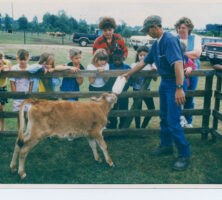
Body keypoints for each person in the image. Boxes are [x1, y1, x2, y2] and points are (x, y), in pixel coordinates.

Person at [122, 15, 190, 170]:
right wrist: (129, 74)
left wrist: (179, 88)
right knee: (164, 116)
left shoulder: (170, 40)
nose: (147, 33)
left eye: (147, 30)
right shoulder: (156, 44)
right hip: (165, 82)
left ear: (155, 27)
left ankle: (184, 155)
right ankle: (166, 146)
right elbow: (144, 62)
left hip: (174, 83)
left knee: (173, 120)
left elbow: (178, 64)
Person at [175, 17, 202, 128]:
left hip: (192, 70)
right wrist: (188, 54)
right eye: (179, 28)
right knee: (177, 94)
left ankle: (188, 121)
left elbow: (197, 54)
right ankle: (178, 118)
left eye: (183, 28)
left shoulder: (195, 38)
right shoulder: (174, 38)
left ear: (189, 28)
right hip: (177, 70)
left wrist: (180, 54)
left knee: (190, 95)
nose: (181, 30)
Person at [131, 46, 156, 128]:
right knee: (137, 110)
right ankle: (138, 127)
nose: (142, 57)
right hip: (136, 90)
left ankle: (143, 126)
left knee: (151, 109)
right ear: (138, 55)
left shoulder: (150, 65)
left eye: (145, 55)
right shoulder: (134, 65)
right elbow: (132, 79)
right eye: (140, 55)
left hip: (147, 90)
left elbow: (155, 79)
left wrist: (154, 71)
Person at [106, 49, 131, 129]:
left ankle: (122, 127)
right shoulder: (109, 67)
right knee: (112, 110)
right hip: (112, 93)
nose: (117, 61)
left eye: (119, 59)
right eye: (115, 59)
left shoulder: (127, 67)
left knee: (124, 109)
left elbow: (131, 81)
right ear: (112, 58)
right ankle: (112, 126)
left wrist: (127, 81)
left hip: (123, 93)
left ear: (123, 58)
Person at [9, 49, 33, 128]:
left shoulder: (30, 69)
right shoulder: (14, 68)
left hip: (27, 96)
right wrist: (15, 94)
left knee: (27, 115)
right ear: (17, 58)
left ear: (28, 58)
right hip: (17, 97)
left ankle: (27, 132)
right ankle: (20, 133)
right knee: (19, 116)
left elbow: (31, 82)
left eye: (24, 59)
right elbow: (12, 82)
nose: (22, 61)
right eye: (21, 59)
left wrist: (29, 93)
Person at [0, 51, 11, 131]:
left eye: (1, 58)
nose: (0, 60)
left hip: (2, 87)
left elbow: (8, 69)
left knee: (1, 108)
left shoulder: (6, 62)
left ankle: (2, 128)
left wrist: (6, 68)